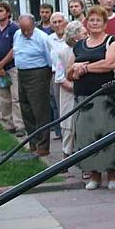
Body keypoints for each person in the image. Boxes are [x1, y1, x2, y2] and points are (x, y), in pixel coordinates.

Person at [67, 5, 115, 190]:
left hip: (107, 98)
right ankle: (94, 175)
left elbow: (110, 63)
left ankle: (112, 175)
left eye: (98, 20)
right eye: (91, 20)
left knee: (109, 134)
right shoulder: (78, 44)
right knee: (87, 136)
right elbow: (69, 72)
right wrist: (74, 70)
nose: (94, 23)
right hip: (83, 97)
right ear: (87, 23)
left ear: (104, 23)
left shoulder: (112, 41)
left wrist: (84, 67)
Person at [13, 14, 53, 156]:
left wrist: (47, 75)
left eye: (28, 30)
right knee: (26, 108)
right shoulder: (17, 35)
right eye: (23, 29)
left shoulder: (42, 38)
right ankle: (33, 142)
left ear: (34, 26)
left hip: (38, 73)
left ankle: (43, 145)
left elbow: (50, 60)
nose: (25, 33)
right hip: (22, 73)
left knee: (39, 110)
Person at [0, 1, 24, 135]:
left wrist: (2, 63)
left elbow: (15, 48)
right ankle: (8, 124)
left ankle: (19, 125)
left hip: (12, 67)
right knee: (3, 98)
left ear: (8, 13)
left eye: (1, 11)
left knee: (16, 97)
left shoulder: (14, 28)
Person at [56, 21, 86, 159]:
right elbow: (60, 77)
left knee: (83, 126)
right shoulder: (63, 51)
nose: (87, 35)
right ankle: (66, 157)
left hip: (85, 94)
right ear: (75, 37)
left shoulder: (87, 48)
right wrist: (75, 88)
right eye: (84, 33)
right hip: (69, 94)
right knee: (68, 126)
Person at [46, 12, 67, 140]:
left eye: (60, 21)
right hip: (55, 74)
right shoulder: (49, 39)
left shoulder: (69, 36)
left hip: (68, 73)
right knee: (56, 103)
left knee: (66, 104)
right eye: (54, 22)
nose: (58, 24)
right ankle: (60, 132)